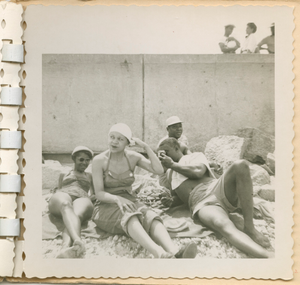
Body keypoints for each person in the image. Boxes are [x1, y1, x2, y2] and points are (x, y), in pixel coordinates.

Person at [92, 123, 197, 258]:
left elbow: (158, 170)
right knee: (130, 216)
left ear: (128, 143)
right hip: (105, 205)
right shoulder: (99, 160)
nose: (114, 141)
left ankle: (175, 252)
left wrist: (146, 147)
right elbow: (99, 193)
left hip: (130, 200)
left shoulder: (133, 157)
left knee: (151, 217)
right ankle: (160, 254)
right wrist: (118, 199)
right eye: (112, 137)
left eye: (120, 139)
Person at [157, 138, 274, 258]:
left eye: (166, 151)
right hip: (201, 202)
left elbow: (198, 171)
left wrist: (172, 164)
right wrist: (168, 200)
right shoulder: (169, 173)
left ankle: (249, 227)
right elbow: (178, 197)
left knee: (241, 165)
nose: (163, 155)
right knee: (221, 224)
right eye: (161, 154)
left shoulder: (192, 157)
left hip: (215, 187)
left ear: (177, 148)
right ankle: (268, 256)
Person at [48, 146, 95, 258]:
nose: (84, 163)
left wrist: (90, 199)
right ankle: (77, 240)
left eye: (87, 160)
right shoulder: (65, 173)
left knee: (76, 215)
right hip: (65, 195)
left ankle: (67, 248)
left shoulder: (89, 176)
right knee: (65, 205)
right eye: (81, 159)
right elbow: (60, 188)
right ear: (74, 159)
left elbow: (94, 194)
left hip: (81, 198)